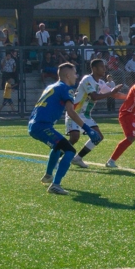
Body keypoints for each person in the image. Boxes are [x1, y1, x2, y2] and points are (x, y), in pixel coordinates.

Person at [28, 63, 102, 195]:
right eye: (74, 74)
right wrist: (87, 129)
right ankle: (55, 185)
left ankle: (48, 175)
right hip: (42, 125)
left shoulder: (51, 86)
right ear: (68, 75)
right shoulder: (66, 88)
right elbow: (71, 112)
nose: (76, 76)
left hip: (34, 125)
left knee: (57, 147)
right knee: (70, 150)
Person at [67, 59, 124, 168]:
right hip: (75, 112)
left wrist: (131, 97)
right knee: (74, 137)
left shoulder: (101, 83)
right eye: (102, 67)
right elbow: (94, 96)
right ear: (94, 69)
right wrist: (112, 92)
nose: (104, 69)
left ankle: (77, 158)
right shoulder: (87, 79)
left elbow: (114, 94)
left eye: (104, 67)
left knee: (98, 137)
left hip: (86, 116)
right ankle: (56, 159)